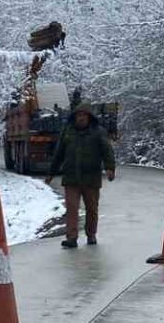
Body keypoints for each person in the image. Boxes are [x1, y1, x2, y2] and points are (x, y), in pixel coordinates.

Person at [45, 103, 115, 249]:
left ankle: (91, 234)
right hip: (71, 177)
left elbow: (107, 151)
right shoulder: (68, 132)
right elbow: (59, 154)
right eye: (78, 115)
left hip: (91, 178)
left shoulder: (98, 132)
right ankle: (71, 238)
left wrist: (109, 168)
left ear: (89, 117)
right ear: (74, 117)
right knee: (72, 208)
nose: (81, 118)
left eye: (84, 115)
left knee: (92, 209)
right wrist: (51, 173)